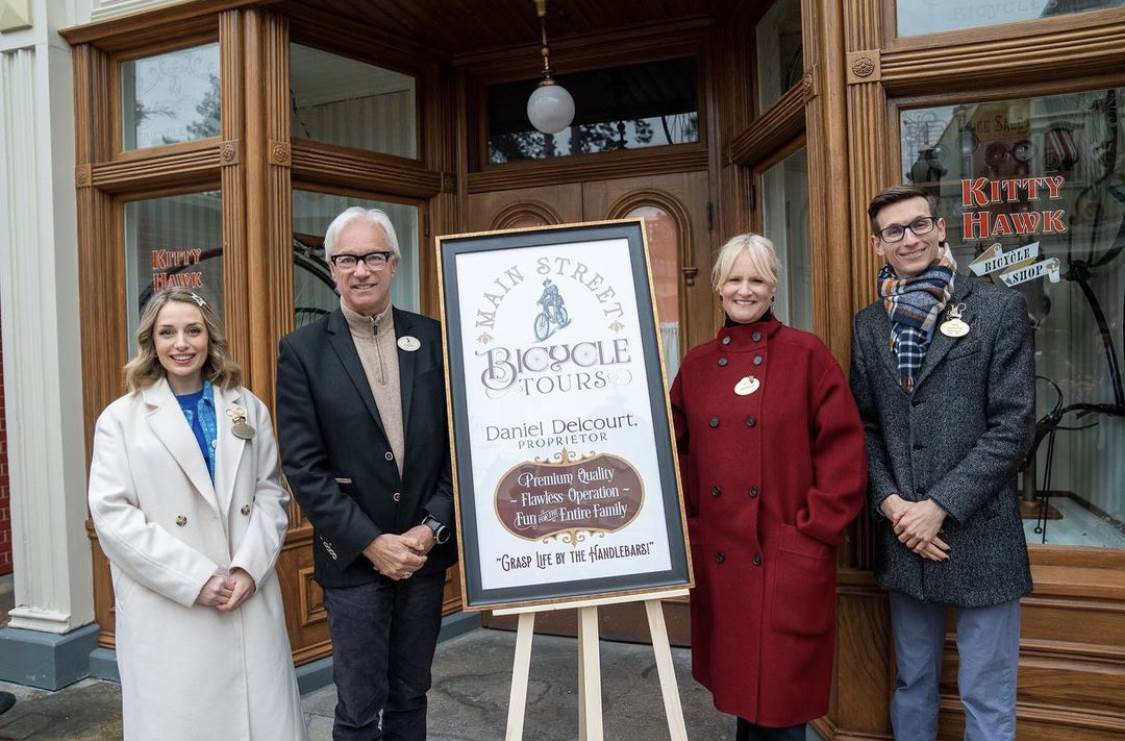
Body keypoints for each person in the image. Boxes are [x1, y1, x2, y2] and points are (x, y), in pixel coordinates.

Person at [850, 185, 1035, 740]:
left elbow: (1013, 427)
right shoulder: (869, 325)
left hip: (981, 534)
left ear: (940, 229)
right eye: (894, 230)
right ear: (878, 244)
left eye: (918, 225)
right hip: (907, 537)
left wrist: (939, 506)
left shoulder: (998, 309)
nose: (908, 239)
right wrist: (892, 505)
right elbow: (864, 427)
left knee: (986, 694)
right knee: (913, 684)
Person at [670, 234, 867, 740]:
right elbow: (675, 454)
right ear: (718, 286)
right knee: (745, 702)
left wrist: (814, 529)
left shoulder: (806, 355)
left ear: (773, 286)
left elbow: (844, 453)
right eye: (734, 279)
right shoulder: (695, 365)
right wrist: (691, 525)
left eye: (756, 279)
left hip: (785, 556)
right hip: (722, 558)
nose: (745, 290)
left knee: (781, 710)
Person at [87, 288, 307, 741]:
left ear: (210, 337)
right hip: (171, 606)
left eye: (193, 330)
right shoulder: (120, 419)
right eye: (167, 332)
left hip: (245, 596)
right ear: (151, 341)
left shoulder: (247, 406)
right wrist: (196, 579)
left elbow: (270, 494)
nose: (181, 343)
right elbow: (113, 516)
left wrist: (248, 568)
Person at [276, 207, 455, 740]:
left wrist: (431, 526)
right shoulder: (302, 351)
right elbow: (303, 467)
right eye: (347, 259)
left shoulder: (436, 339)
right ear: (332, 268)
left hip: (423, 554)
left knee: (410, 696)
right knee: (357, 709)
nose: (361, 270)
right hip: (352, 560)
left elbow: (460, 449)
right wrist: (373, 543)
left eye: (374, 256)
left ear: (394, 263)